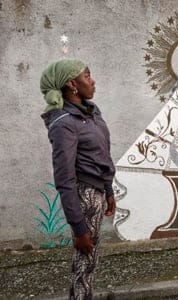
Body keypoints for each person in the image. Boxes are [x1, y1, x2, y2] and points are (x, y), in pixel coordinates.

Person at [40, 59, 116, 299]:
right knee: (84, 264)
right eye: (87, 76)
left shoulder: (92, 113)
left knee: (89, 263)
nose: (92, 81)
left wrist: (109, 189)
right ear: (72, 84)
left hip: (98, 192)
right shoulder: (64, 124)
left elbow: (102, 153)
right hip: (84, 197)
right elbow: (64, 179)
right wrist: (79, 228)